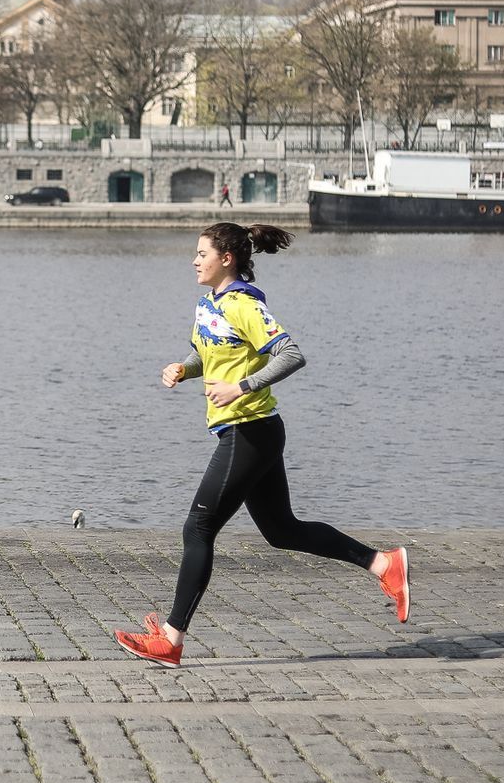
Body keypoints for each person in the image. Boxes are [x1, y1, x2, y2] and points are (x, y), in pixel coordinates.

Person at [114, 223, 409, 667]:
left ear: (226, 258)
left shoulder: (244, 304)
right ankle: (385, 566)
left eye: (202, 253)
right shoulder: (208, 304)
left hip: (248, 431)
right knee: (282, 531)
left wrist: (242, 386)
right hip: (252, 432)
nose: (194, 260)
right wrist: (184, 368)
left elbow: (291, 354)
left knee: (197, 529)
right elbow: (210, 353)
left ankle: (172, 639)